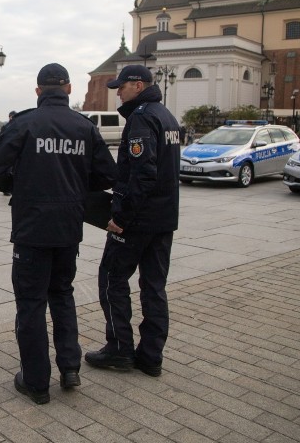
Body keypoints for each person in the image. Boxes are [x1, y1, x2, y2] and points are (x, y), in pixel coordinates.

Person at [0, 63, 117, 404]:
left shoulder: (24, 123)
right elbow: (106, 175)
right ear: (69, 89)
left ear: (38, 91)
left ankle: (36, 381)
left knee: (30, 303)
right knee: (62, 294)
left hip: (31, 228)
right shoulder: (84, 126)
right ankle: (70, 368)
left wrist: (21, 186)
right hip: (68, 227)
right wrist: (74, 187)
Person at [84, 64, 181, 378]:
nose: (117, 92)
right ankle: (151, 356)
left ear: (138, 85)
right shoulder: (166, 115)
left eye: (121, 87)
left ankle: (120, 349)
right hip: (163, 220)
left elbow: (143, 174)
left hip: (137, 220)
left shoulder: (141, 117)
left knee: (111, 279)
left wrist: (120, 217)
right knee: (154, 287)